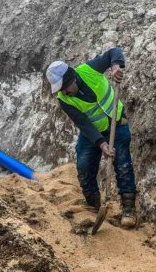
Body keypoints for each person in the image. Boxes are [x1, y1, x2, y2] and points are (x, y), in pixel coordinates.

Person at [46, 48, 137, 228]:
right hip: (92, 133)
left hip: (117, 124)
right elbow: (83, 123)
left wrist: (116, 67)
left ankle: (128, 210)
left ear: (72, 79)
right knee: (84, 165)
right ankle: (94, 203)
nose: (63, 92)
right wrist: (102, 144)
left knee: (123, 163)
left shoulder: (89, 70)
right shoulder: (64, 100)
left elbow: (114, 52)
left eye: (64, 88)